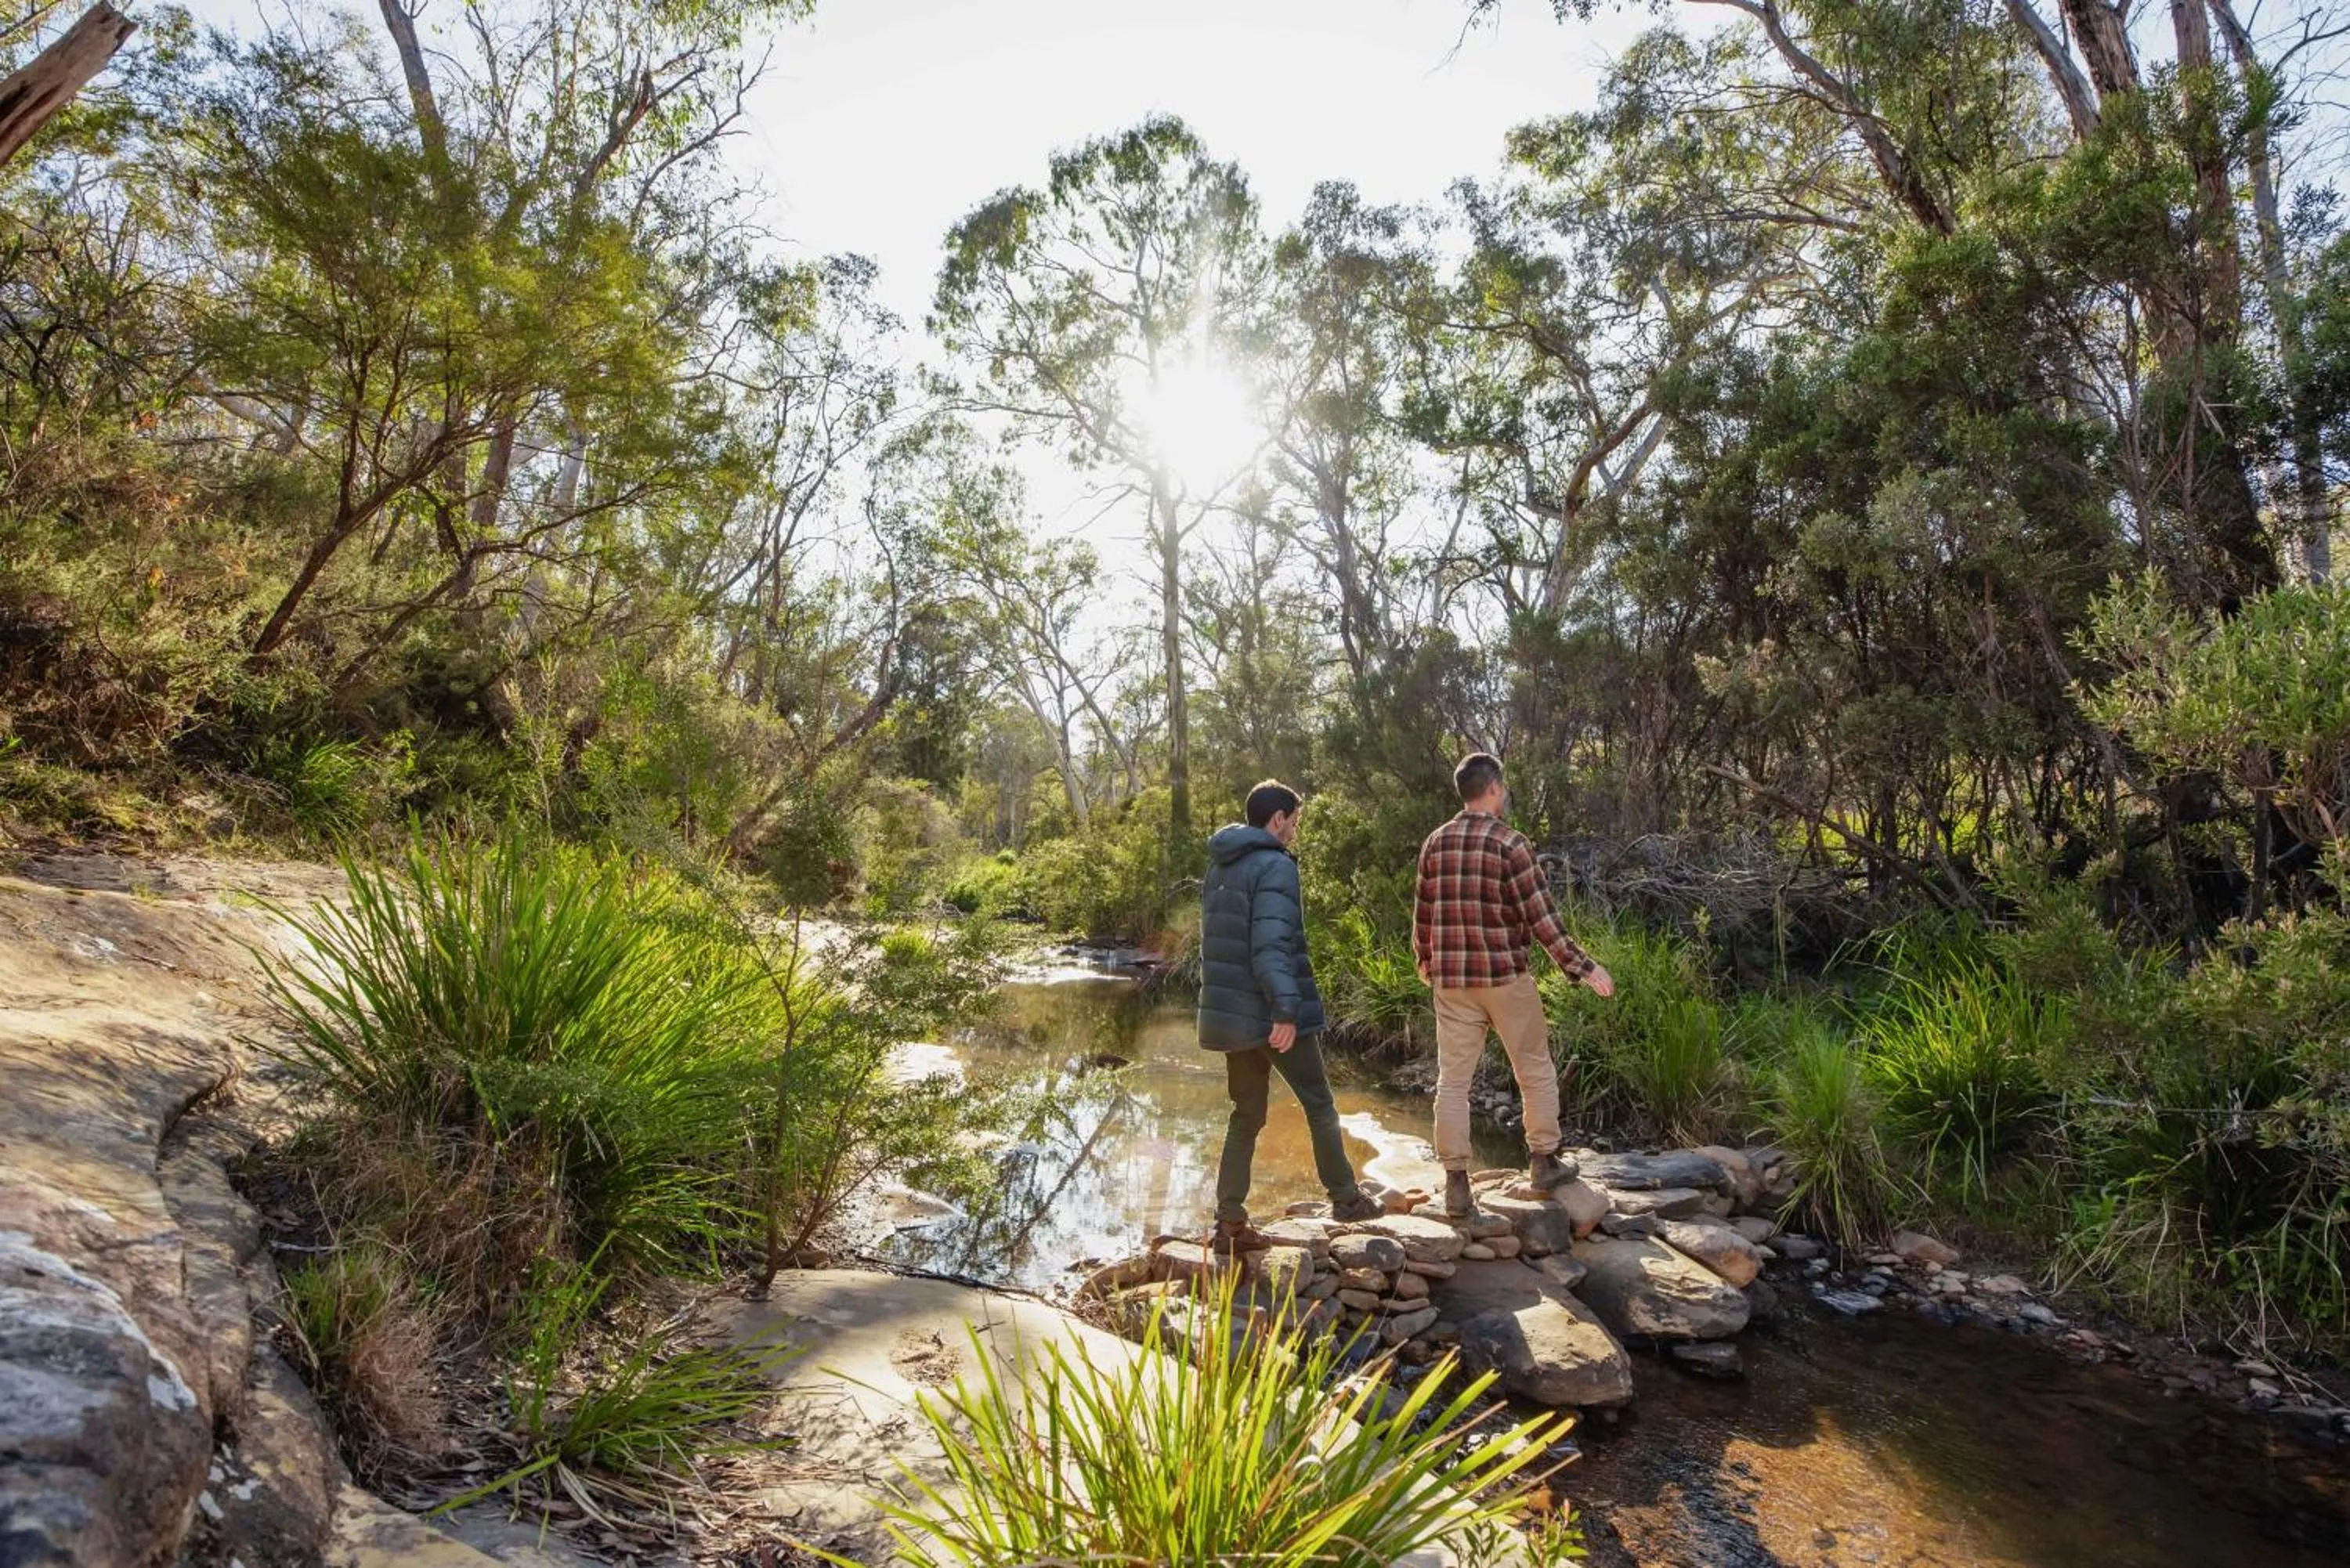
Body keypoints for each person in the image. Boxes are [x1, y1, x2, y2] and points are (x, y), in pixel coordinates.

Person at [1413, 752, 1614, 1219]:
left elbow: (1423, 913)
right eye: (1502, 787)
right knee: (1533, 1069)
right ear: (1494, 788)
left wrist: (1426, 960)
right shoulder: (1511, 844)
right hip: (1504, 976)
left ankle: (1457, 1187)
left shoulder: (1435, 843)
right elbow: (1542, 919)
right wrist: (1584, 968)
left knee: (1454, 1082)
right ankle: (1543, 1162)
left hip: (1453, 982)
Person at [1198, 779, 1384, 1251]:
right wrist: (1285, 1009)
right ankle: (1346, 1198)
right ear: (1276, 819)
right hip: (1270, 1010)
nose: (1295, 832)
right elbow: (1271, 946)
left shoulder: (1219, 866)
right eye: (1294, 822)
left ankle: (1229, 1225)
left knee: (1246, 1114)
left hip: (1233, 1014)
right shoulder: (1275, 865)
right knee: (1319, 1103)